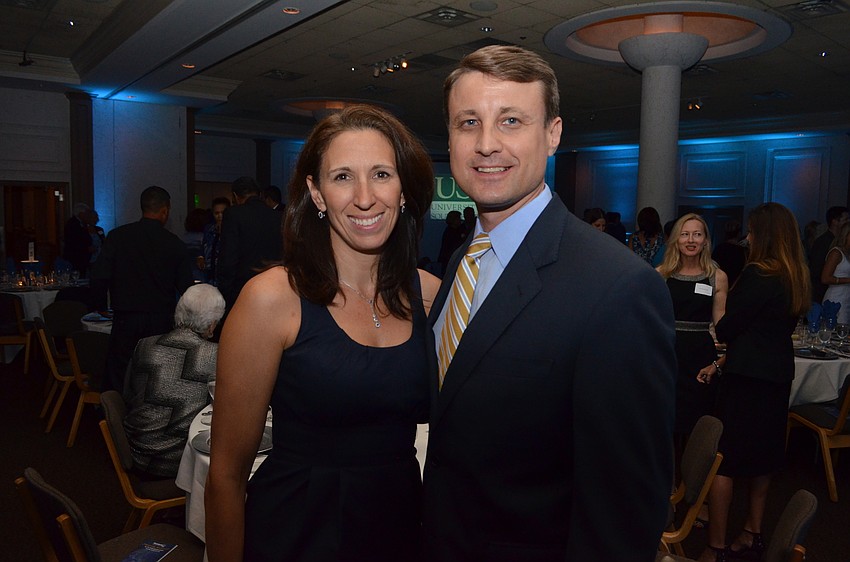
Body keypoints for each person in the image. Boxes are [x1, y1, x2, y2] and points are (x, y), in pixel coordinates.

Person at [422, 45, 676, 561]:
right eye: (467, 122)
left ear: (553, 134)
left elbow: (624, 514)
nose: (486, 144)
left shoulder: (618, 288)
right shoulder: (462, 261)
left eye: (511, 120)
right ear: (449, 137)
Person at [205, 104, 440, 562]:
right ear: (316, 193)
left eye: (382, 174)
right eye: (342, 177)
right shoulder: (271, 298)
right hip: (298, 531)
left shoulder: (432, 297)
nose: (365, 197)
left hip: (399, 528)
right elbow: (226, 476)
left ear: (404, 190)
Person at [697, 203, 811, 562]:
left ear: (765, 235)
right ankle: (752, 532)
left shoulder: (760, 274)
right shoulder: (796, 275)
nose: (747, 237)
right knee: (763, 458)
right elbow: (773, 332)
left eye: (751, 230)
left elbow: (729, 327)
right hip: (777, 376)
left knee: (724, 460)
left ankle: (716, 546)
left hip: (747, 380)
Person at [90, 186, 194, 393]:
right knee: (157, 374)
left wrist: (101, 306)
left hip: (125, 317)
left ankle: (114, 419)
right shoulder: (174, 244)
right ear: (165, 210)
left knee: (120, 373)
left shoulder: (117, 237)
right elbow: (186, 289)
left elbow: (99, 276)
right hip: (160, 320)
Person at [123, 284, 225, 478]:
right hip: (171, 462)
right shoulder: (217, 355)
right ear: (212, 325)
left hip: (135, 449)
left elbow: (128, 396)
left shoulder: (144, 345)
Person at [656, 214, 728, 438]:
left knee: (696, 422)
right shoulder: (660, 275)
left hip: (700, 359)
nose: (691, 240)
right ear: (676, 240)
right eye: (685, 234)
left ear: (706, 240)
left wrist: (720, 363)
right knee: (663, 422)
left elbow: (724, 326)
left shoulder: (716, 276)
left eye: (697, 234)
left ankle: (693, 472)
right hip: (667, 355)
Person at [216, 176, 284, 308]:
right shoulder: (278, 217)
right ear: (259, 194)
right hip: (273, 289)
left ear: (235, 196)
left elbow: (228, 257)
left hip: (242, 289)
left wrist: (225, 293)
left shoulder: (233, 214)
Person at [808, 206, 849, 303]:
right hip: (823, 293)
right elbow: (816, 272)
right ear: (834, 221)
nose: (848, 222)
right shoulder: (823, 242)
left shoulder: (841, 245)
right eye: (846, 219)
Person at [821, 222, 850, 323]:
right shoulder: (836, 252)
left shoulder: (848, 253)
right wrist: (848, 280)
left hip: (846, 297)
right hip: (836, 297)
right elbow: (825, 278)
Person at [200, 196, 230, 285]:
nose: (220, 216)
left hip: (225, 274)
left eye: (223, 213)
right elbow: (203, 246)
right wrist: (201, 257)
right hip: (208, 273)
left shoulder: (233, 230)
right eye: (216, 213)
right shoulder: (208, 228)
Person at [712, 220, 747, 286]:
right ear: (739, 234)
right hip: (736, 286)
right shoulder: (742, 251)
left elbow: (713, 267)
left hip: (719, 283)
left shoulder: (719, 248)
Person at [63, 202, 93, 277]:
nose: (88, 216)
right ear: (81, 214)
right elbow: (73, 242)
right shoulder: (73, 224)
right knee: (77, 276)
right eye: (86, 213)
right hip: (76, 257)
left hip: (81, 257)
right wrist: (86, 248)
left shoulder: (82, 224)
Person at [437, 210, 466, 275]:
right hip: (450, 260)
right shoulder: (449, 232)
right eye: (458, 218)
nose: (460, 220)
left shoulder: (460, 229)